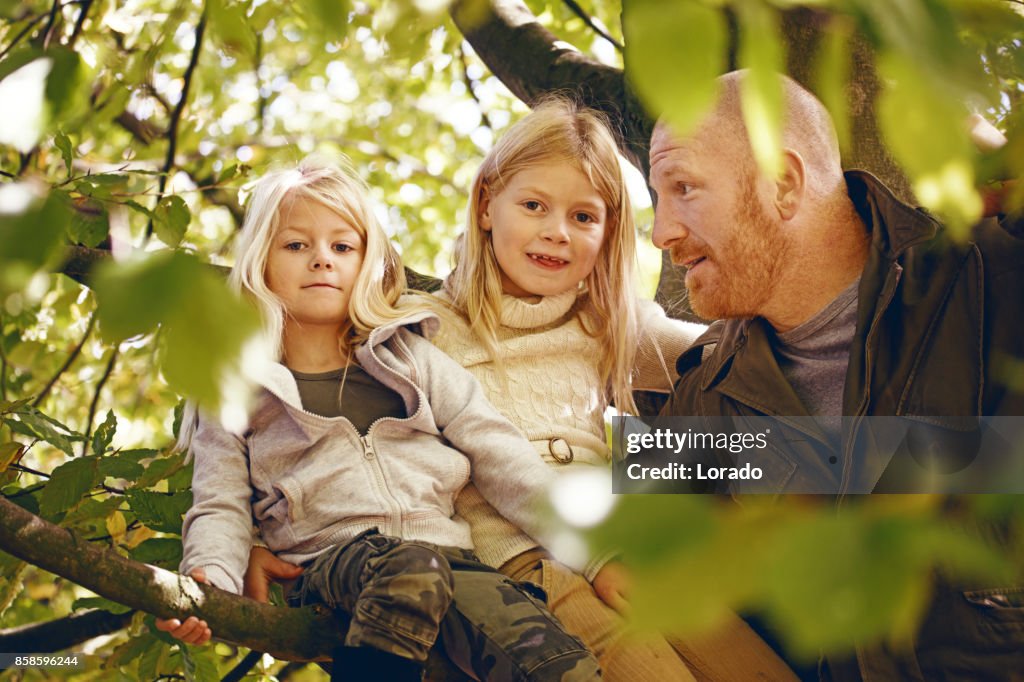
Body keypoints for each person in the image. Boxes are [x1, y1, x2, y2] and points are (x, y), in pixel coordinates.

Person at [246, 98, 799, 681]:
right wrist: (259, 538)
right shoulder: (416, 330)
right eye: (534, 205)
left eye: (584, 217)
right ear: (487, 204)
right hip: (523, 569)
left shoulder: (611, 326)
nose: (557, 232)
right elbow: (311, 414)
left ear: (609, 231)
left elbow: (726, 353)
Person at [156, 159, 602, 682]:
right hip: (331, 565)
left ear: (366, 260)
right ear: (261, 262)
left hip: (452, 561)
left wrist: (592, 548)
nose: (322, 260)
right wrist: (208, 583)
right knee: (411, 572)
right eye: (296, 246)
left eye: (342, 247)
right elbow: (220, 502)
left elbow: (498, 450)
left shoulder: (410, 358)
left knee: (566, 668)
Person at [650, 70, 1024, 679]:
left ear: (784, 184)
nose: (662, 231)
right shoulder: (705, 395)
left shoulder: (996, 278)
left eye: (683, 187)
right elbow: (598, 516)